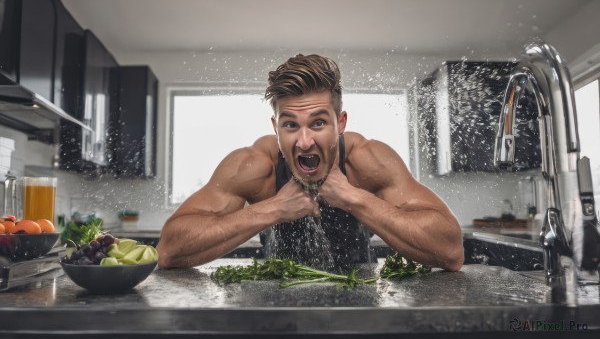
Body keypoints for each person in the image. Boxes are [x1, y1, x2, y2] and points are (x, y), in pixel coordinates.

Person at [157, 54, 464, 272]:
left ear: (340, 123)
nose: (304, 142)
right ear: (276, 128)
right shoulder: (254, 166)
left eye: (318, 123)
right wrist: (274, 208)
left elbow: (450, 251)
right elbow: (169, 250)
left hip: (360, 303)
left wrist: (353, 198)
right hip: (276, 302)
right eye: (290, 125)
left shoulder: (367, 161)